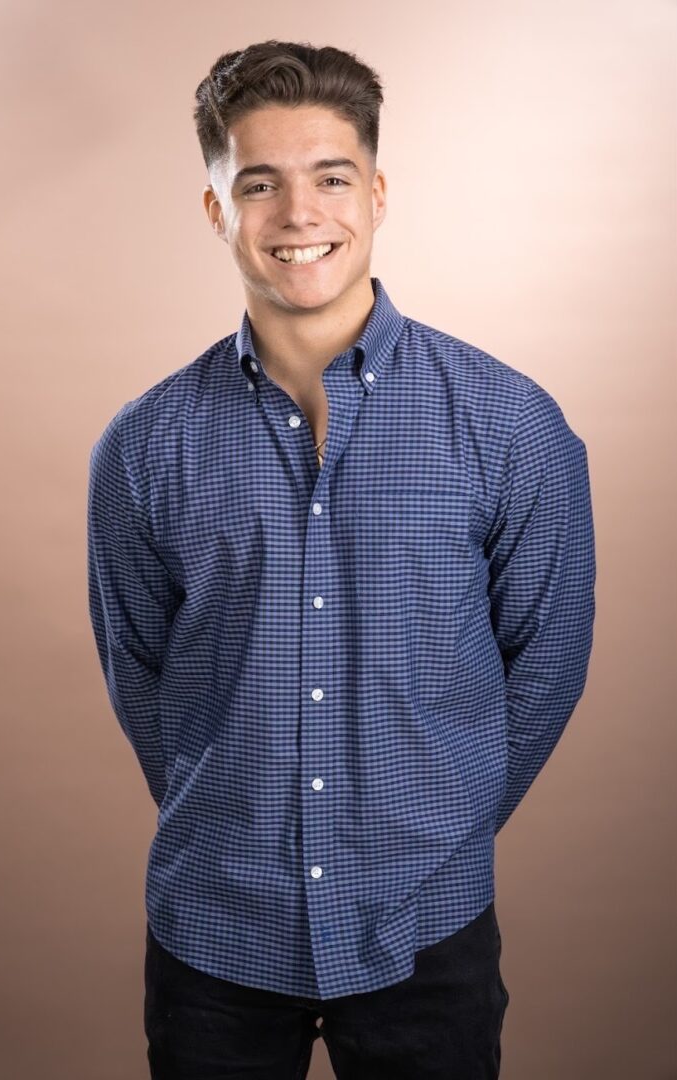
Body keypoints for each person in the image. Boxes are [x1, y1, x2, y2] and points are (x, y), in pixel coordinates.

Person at [86, 39, 596, 1080]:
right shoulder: (143, 445)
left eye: (329, 178)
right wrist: (226, 805)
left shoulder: (508, 423)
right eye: (257, 183)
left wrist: (436, 823)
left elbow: (545, 662)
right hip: (214, 931)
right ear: (216, 210)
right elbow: (139, 670)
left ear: (376, 191)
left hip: (429, 924)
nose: (297, 214)